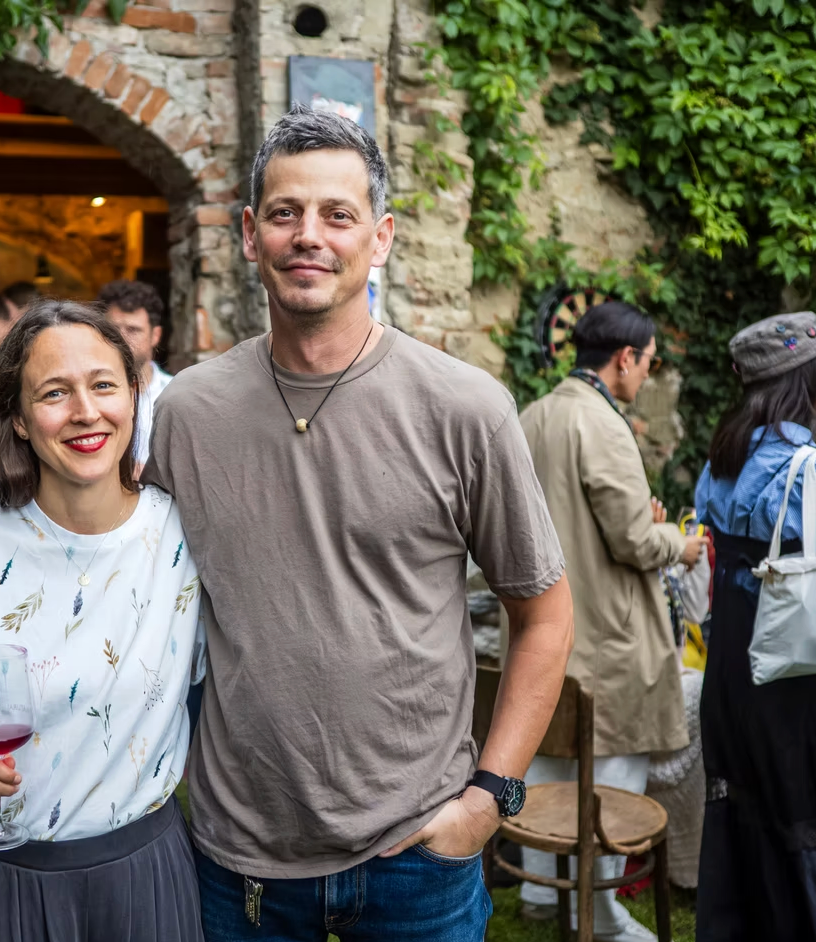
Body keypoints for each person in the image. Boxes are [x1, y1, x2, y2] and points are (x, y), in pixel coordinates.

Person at [142, 103, 574, 941]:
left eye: (337, 215)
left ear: (380, 239)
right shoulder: (188, 414)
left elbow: (546, 616)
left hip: (419, 851)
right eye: (285, 213)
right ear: (249, 234)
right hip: (241, 855)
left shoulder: (465, 408)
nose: (309, 235)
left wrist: (489, 800)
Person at [0, 302, 206, 942]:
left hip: (143, 877)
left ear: (134, 396)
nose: (85, 411)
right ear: (19, 419)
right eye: (55, 393)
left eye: (103, 385)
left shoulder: (185, 534)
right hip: (0, 880)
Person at [517, 301, 704, 942]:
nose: (647, 375)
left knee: (552, 754)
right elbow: (632, 540)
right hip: (607, 631)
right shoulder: (601, 421)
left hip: (547, 622)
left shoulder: (534, 414)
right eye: (649, 363)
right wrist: (679, 543)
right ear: (625, 358)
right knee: (613, 773)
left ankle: (540, 891)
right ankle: (596, 914)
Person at [695, 311, 816, 941]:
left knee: (744, 803)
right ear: (806, 381)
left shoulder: (721, 458)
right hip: (789, 675)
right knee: (806, 808)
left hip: (729, 670)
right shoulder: (809, 467)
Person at [99, 279, 172, 469]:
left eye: (133, 330)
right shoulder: (86, 396)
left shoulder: (175, 394)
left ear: (155, 335)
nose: (121, 338)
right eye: (113, 329)